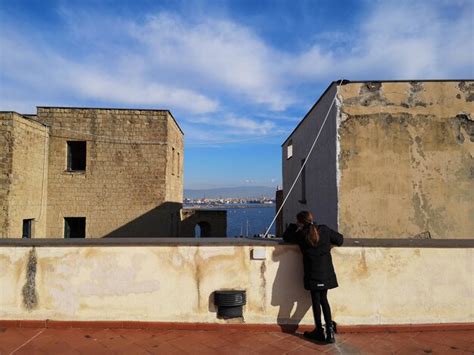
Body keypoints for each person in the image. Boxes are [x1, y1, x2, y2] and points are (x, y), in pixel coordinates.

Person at [282, 211, 343, 344]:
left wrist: (294, 226)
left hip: (312, 273)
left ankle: (319, 331)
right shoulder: (324, 230)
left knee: (316, 301)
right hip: (326, 272)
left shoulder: (301, 235)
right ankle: (330, 331)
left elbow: (286, 237)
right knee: (324, 300)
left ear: (301, 222)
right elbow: (340, 240)